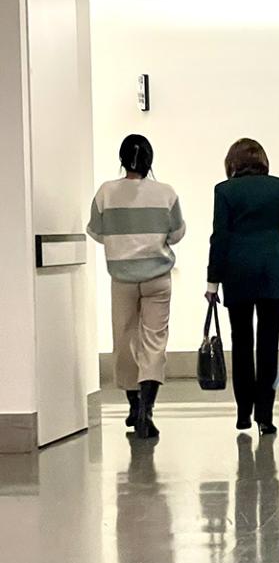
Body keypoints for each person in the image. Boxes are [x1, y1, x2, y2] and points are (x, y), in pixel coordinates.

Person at [206, 138, 279, 436]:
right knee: (267, 345)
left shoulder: (224, 191)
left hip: (237, 274)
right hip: (272, 273)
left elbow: (220, 238)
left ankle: (242, 413)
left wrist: (212, 281)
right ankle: (265, 415)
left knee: (241, 343)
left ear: (232, 163)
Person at [87, 134, 185, 439]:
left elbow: (96, 232)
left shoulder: (106, 192)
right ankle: (147, 410)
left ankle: (132, 405)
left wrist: (122, 243)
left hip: (122, 278)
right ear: (149, 161)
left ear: (121, 159)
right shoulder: (166, 193)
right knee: (154, 341)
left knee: (125, 338)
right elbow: (178, 233)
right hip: (158, 277)